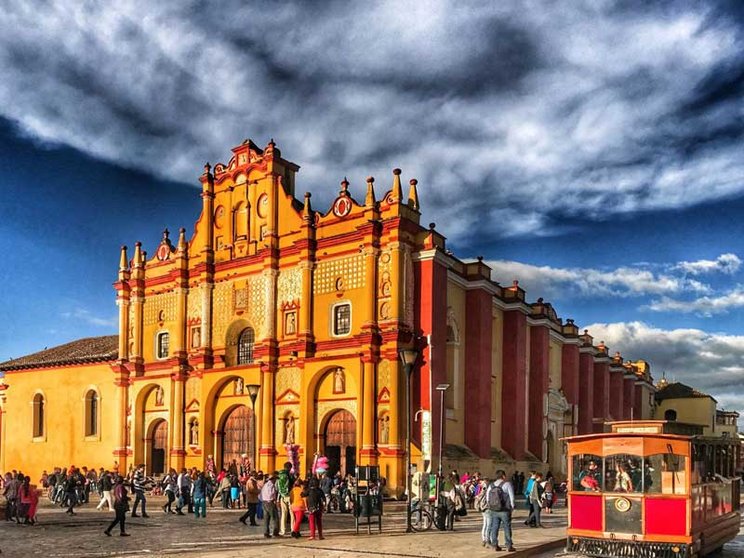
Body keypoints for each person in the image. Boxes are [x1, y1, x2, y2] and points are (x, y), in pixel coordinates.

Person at [488, 469, 516, 552]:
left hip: (494, 510)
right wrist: (512, 506)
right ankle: (508, 545)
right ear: (503, 476)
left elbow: (487, 498)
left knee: (494, 527)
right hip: (505, 510)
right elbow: (512, 497)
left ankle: (494, 544)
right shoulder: (507, 484)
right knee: (507, 527)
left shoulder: (491, 485)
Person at [260, 471, 280, 538]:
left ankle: (266, 533)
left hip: (264, 502)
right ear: (273, 479)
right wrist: (274, 499)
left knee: (266, 518)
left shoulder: (265, 485)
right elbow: (271, 494)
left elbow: (260, 495)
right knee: (275, 518)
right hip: (270, 502)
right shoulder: (271, 485)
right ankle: (275, 532)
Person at [277, 468, 293, 535]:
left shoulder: (279, 479)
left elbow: (277, 489)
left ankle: (283, 530)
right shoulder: (290, 477)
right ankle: (293, 529)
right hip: (290, 496)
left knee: (283, 514)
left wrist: (278, 499)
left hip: (282, 497)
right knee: (292, 514)